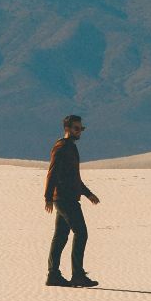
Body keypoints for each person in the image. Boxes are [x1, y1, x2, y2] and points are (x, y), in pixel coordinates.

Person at [44, 113, 101, 287]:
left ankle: (53, 275)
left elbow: (74, 177)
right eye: (77, 128)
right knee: (81, 233)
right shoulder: (61, 147)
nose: (80, 132)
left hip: (66, 198)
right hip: (64, 199)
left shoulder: (71, 147)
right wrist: (47, 197)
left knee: (61, 236)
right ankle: (77, 275)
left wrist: (87, 193)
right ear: (67, 129)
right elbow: (52, 172)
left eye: (81, 129)